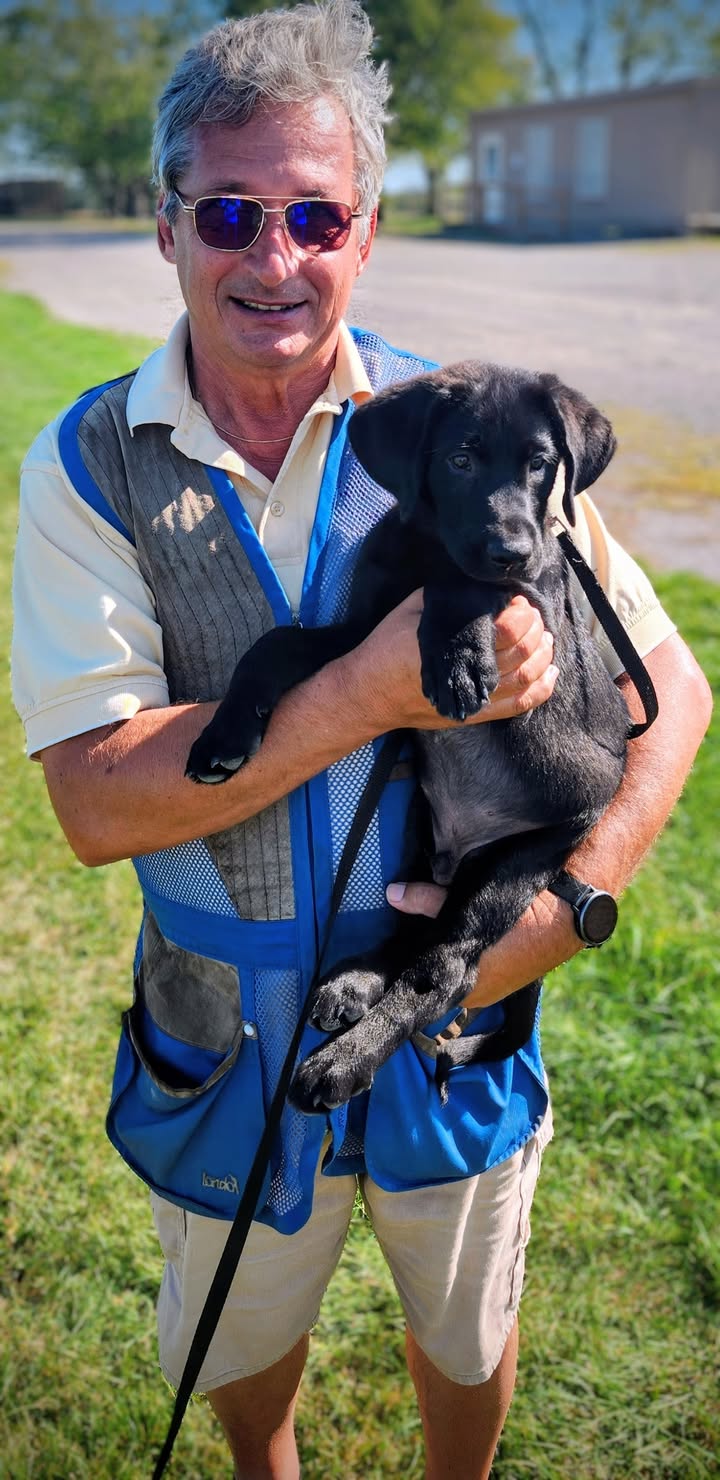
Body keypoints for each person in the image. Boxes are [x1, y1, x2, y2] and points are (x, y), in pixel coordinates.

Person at [11, 3, 711, 1476]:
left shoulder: (467, 428)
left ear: (367, 230)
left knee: (462, 1337)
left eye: (314, 213)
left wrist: (571, 906)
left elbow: (674, 690)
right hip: (227, 1043)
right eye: (230, 211)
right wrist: (365, 692)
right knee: (246, 1354)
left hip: (461, 1025)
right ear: (166, 225)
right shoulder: (89, 470)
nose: (273, 257)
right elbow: (93, 807)